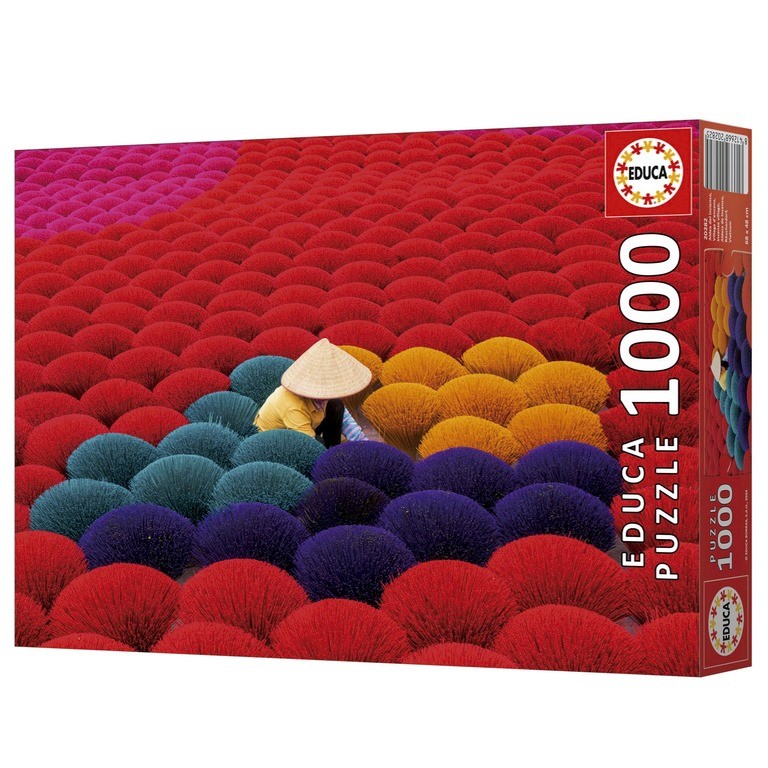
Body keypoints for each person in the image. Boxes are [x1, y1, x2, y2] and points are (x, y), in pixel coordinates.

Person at [255, 338, 371, 447]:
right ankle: (330, 453)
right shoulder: (293, 406)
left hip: (306, 424)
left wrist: (366, 445)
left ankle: (333, 448)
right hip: (275, 441)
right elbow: (310, 445)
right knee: (319, 444)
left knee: (336, 405)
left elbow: (347, 422)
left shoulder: (324, 393)